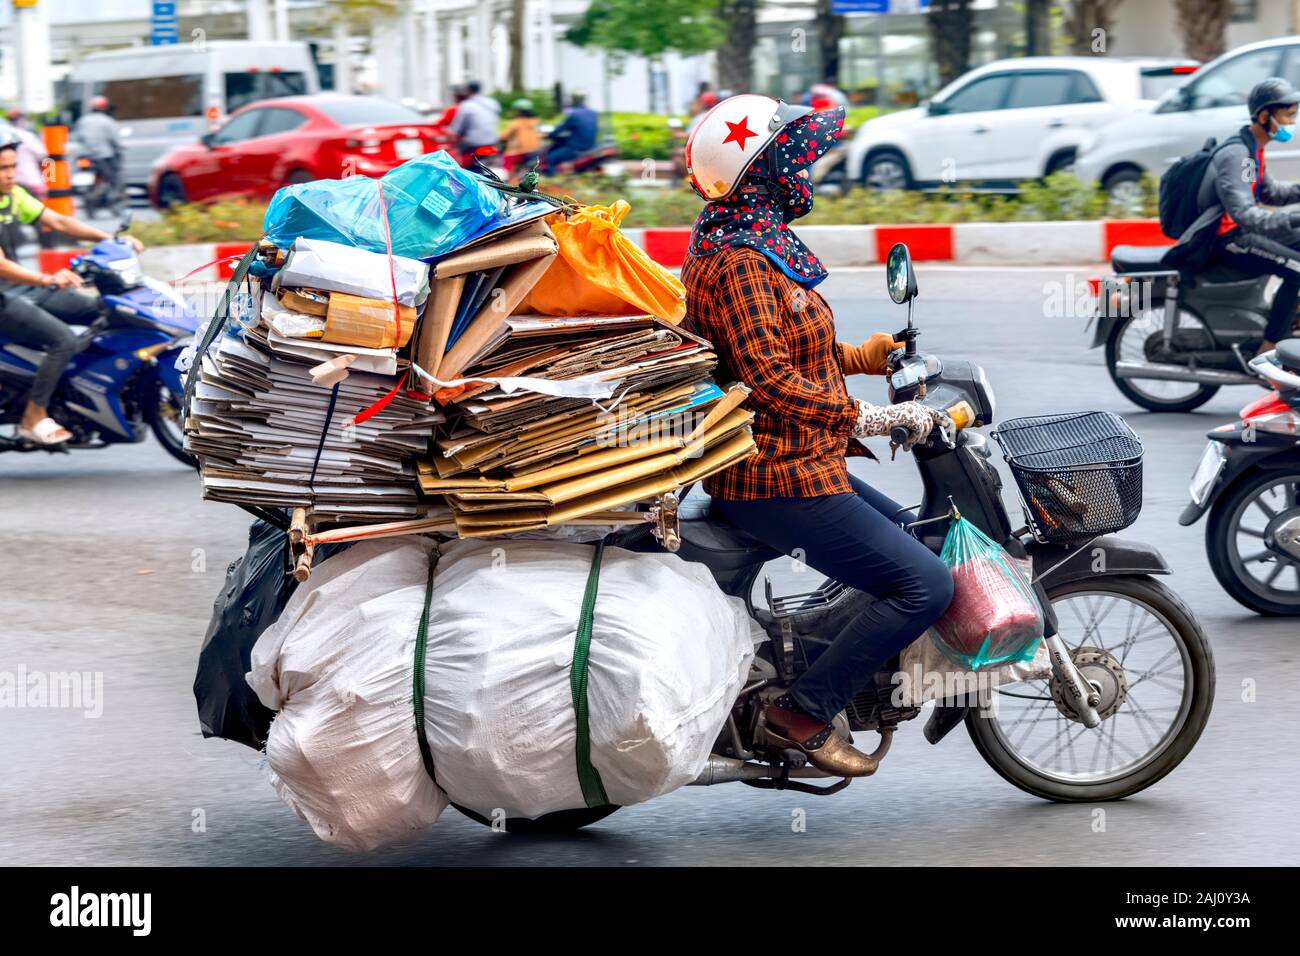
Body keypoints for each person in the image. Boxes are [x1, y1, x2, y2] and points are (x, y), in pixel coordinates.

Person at [681, 95, 954, 777]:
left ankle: (835, 658)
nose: (809, 171)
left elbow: (789, 346)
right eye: (797, 159)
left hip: (802, 460)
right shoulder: (740, 259)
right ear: (763, 170)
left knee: (927, 535)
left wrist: (860, 357)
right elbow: (768, 378)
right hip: (773, 475)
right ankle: (799, 715)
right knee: (926, 586)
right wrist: (867, 416)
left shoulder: (753, 240)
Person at [0, 129, 145, 445]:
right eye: (3, 168)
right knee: (63, 340)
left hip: (22, 289)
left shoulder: (12, 196)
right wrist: (47, 279)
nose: (11, 174)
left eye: (13, 166)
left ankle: (82, 391)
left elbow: (60, 222)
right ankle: (33, 416)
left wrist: (112, 240)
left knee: (103, 310)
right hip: (4, 296)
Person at [1180, 77, 1300, 353]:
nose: (1293, 122)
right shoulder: (1237, 156)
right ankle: (1270, 349)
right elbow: (1245, 214)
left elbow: (1272, 194)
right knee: (1297, 270)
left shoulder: (1252, 150)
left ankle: (1291, 315)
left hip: (1246, 232)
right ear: (1264, 115)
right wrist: (1294, 218)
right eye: (1288, 115)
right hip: (1228, 240)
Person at [72, 95, 123, 211]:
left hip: (86, 154)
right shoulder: (108, 121)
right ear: (105, 107)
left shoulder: (83, 120)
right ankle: (116, 194)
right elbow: (115, 140)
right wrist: (120, 146)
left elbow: (76, 136)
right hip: (104, 155)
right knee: (114, 178)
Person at [447, 81, 501, 167]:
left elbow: (456, 129)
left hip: (474, 143)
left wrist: (453, 136)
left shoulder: (466, 105)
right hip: (493, 141)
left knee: (457, 155)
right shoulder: (492, 103)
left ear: (468, 91)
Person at [545, 92, 597, 171]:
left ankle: (552, 180)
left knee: (551, 158)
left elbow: (561, 129)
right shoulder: (593, 113)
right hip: (591, 147)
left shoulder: (573, 114)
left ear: (573, 100)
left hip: (576, 149)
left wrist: (550, 135)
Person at [501, 99, 542, 178]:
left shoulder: (516, 122)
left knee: (507, 161)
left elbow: (505, 136)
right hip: (535, 150)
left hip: (520, 150)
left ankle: (510, 181)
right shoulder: (535, 121)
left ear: (519, 111)